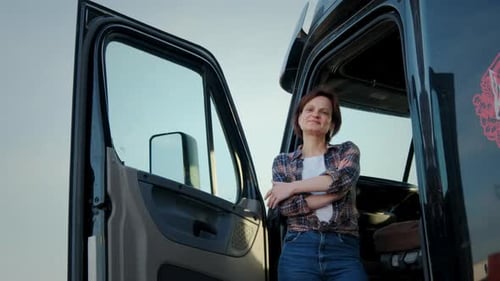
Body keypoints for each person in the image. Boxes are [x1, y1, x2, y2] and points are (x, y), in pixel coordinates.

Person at [265, 87, 367, 281]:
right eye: (309, 109)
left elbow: (342, 180)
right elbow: (285, 207)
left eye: (324, 112)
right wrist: (335, 194)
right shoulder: (282, 161)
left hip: (343, 248)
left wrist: (292, 187)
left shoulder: (347, 151)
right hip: (299, 249)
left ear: (332, 124)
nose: (316, 114)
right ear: (299, 118)